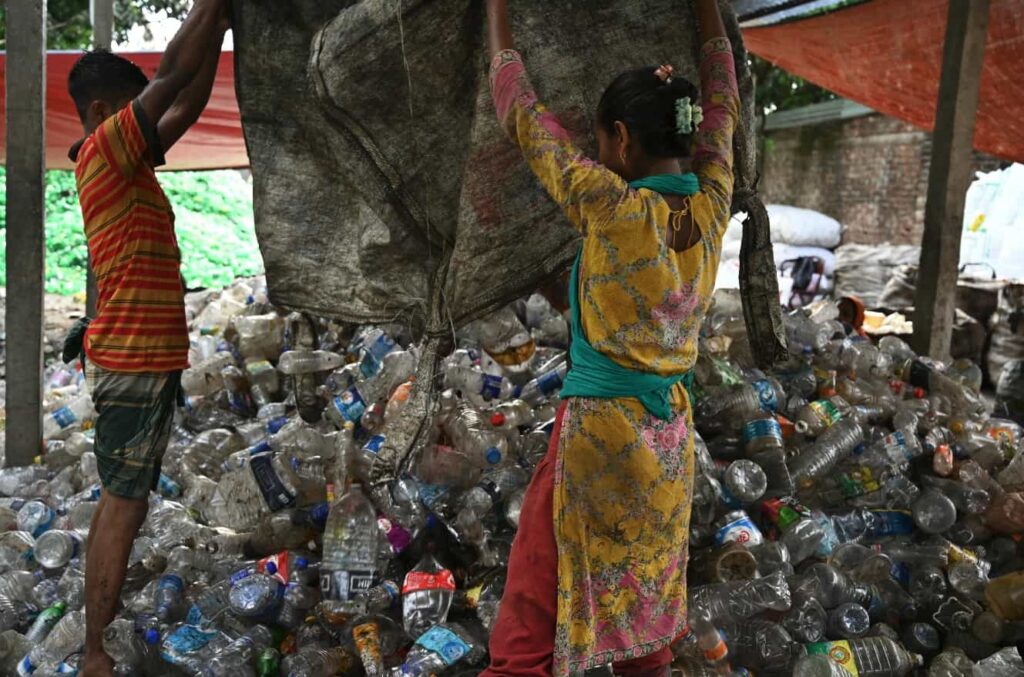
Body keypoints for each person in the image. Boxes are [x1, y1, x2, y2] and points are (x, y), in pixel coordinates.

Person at [481, 0, 739, 675]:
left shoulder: (606, 201)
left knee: (536, 593)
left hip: (599, 437)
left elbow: (520, 112)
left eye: (600, 140)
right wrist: (708, 10)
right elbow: (724, 99)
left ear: (622, 139)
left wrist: (497, 15)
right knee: (646, 590)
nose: (597, 152)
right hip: (668, 443)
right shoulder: (713, 199)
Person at [65, 1, 231, 674]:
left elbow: (182, 108)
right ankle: (97, 650)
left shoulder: (126, 161)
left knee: (121, 499)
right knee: (123, 506)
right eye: (136, 110)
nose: (148, 123)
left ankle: (96, 641)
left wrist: (219, 30)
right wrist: (211, 7)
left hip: (141, 358)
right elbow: (171, 78)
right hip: (132, 358)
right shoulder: (106, 149)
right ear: (105, 111)